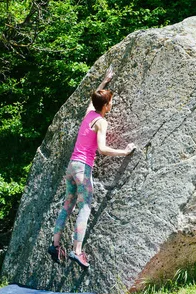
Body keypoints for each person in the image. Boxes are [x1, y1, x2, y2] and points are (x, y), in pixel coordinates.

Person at [48, 66, 136, 268]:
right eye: (110, 101)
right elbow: (103, 149)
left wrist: (105, 81)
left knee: (67, 204)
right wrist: (125, 151)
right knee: (85, 206)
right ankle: (77, 251)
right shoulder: (101, 122)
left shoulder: (89, 114)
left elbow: (92, 100)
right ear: (105, 105)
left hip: (71, 167)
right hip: (83, 168)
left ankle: (55, 244)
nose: (112, 104)